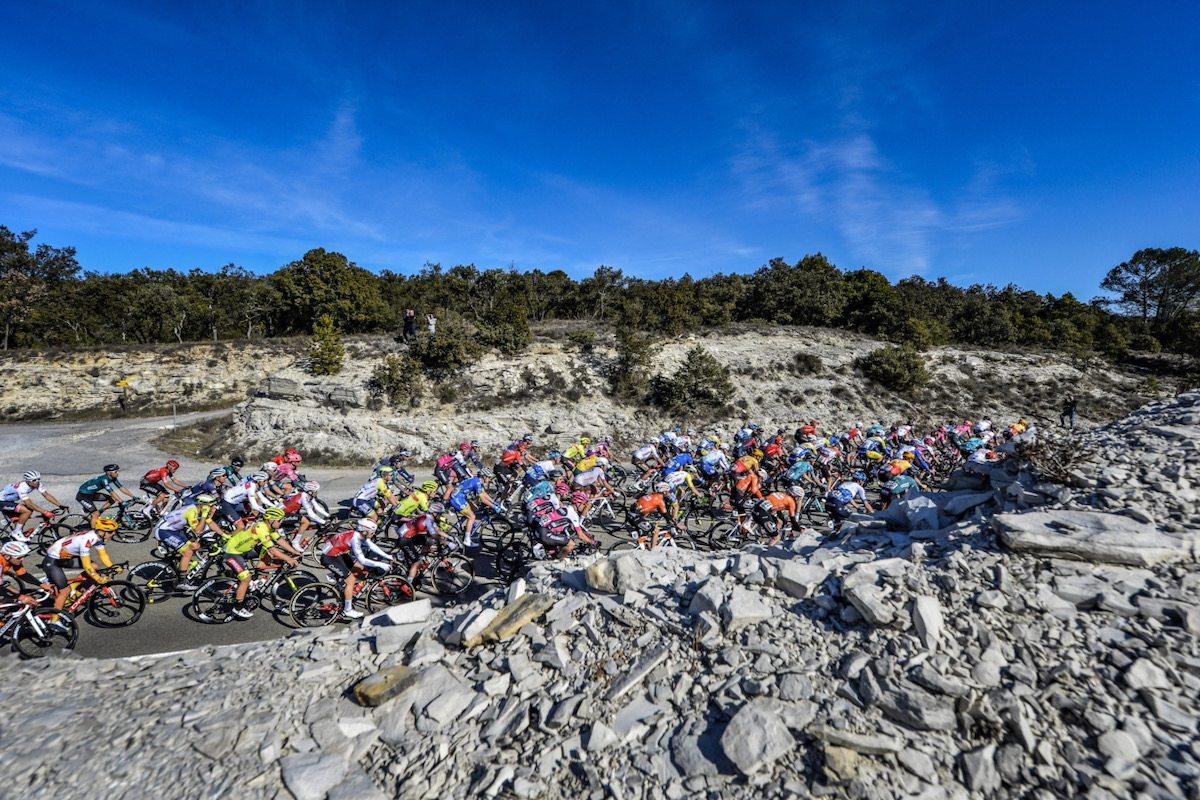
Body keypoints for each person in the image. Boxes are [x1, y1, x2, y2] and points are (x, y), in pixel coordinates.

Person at [218, 507, 301, 620]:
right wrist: (288, 559)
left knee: (268, 555)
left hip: (243, 550)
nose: (281, 522)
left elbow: (279, 540)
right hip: (232, 553)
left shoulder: (268, 528)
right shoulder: (261, 529)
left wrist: (294, 551)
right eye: (279, 520)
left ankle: (255, 579)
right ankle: (237, 608)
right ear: (271, 521)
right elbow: (273, 549)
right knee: (245, 579)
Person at [319, 518, 392, 620]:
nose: (374, 534)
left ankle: (339, 584)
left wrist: (388, 556)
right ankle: (347, 610)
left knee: (359, 568)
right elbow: (362, 559)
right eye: (372, 532)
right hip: (330, 557)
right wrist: (380, 564)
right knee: (351, 580)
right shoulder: (355, 539)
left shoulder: (358, 534)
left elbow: (371, 546)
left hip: (337, 553)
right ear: (365, 531)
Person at [43, 518, 121, 611]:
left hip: (65, 556)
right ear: (101, 532)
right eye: (111, 532)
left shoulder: (97, 537)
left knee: (95, 567)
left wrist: (112, 567)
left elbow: (103, 555)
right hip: (53, 560)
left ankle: (72, 588)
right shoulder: (86, 540)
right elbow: (86, 565)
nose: (113, 534)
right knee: (65, 592)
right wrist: (97, 578)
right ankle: (55, 617)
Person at [154, 493, 225, 590]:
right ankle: (181, 582)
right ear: (204, 505)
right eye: (212, 506)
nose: (214, 508)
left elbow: (211, 523)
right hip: (164, 530)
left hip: (175, 530)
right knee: (187, 552)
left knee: (195, 545)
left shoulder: (198, 509)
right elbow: (197, 531)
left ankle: (180, 565)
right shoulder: (191, 512)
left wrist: (224, 535)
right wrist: (204, 516)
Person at [1, 471, 67, 542]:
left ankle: (17, 536)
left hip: (9, 501)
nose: (37, 482)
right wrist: (45, 512)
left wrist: (60, 505)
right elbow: (29, 503)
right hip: (1, 501)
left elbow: (46, 495)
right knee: (26, 511)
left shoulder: (37, 484)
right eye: (34, 480)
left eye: (38, 479)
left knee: (28, 511)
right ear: (28, 481)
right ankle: (16, 532)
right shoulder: (22, 488)